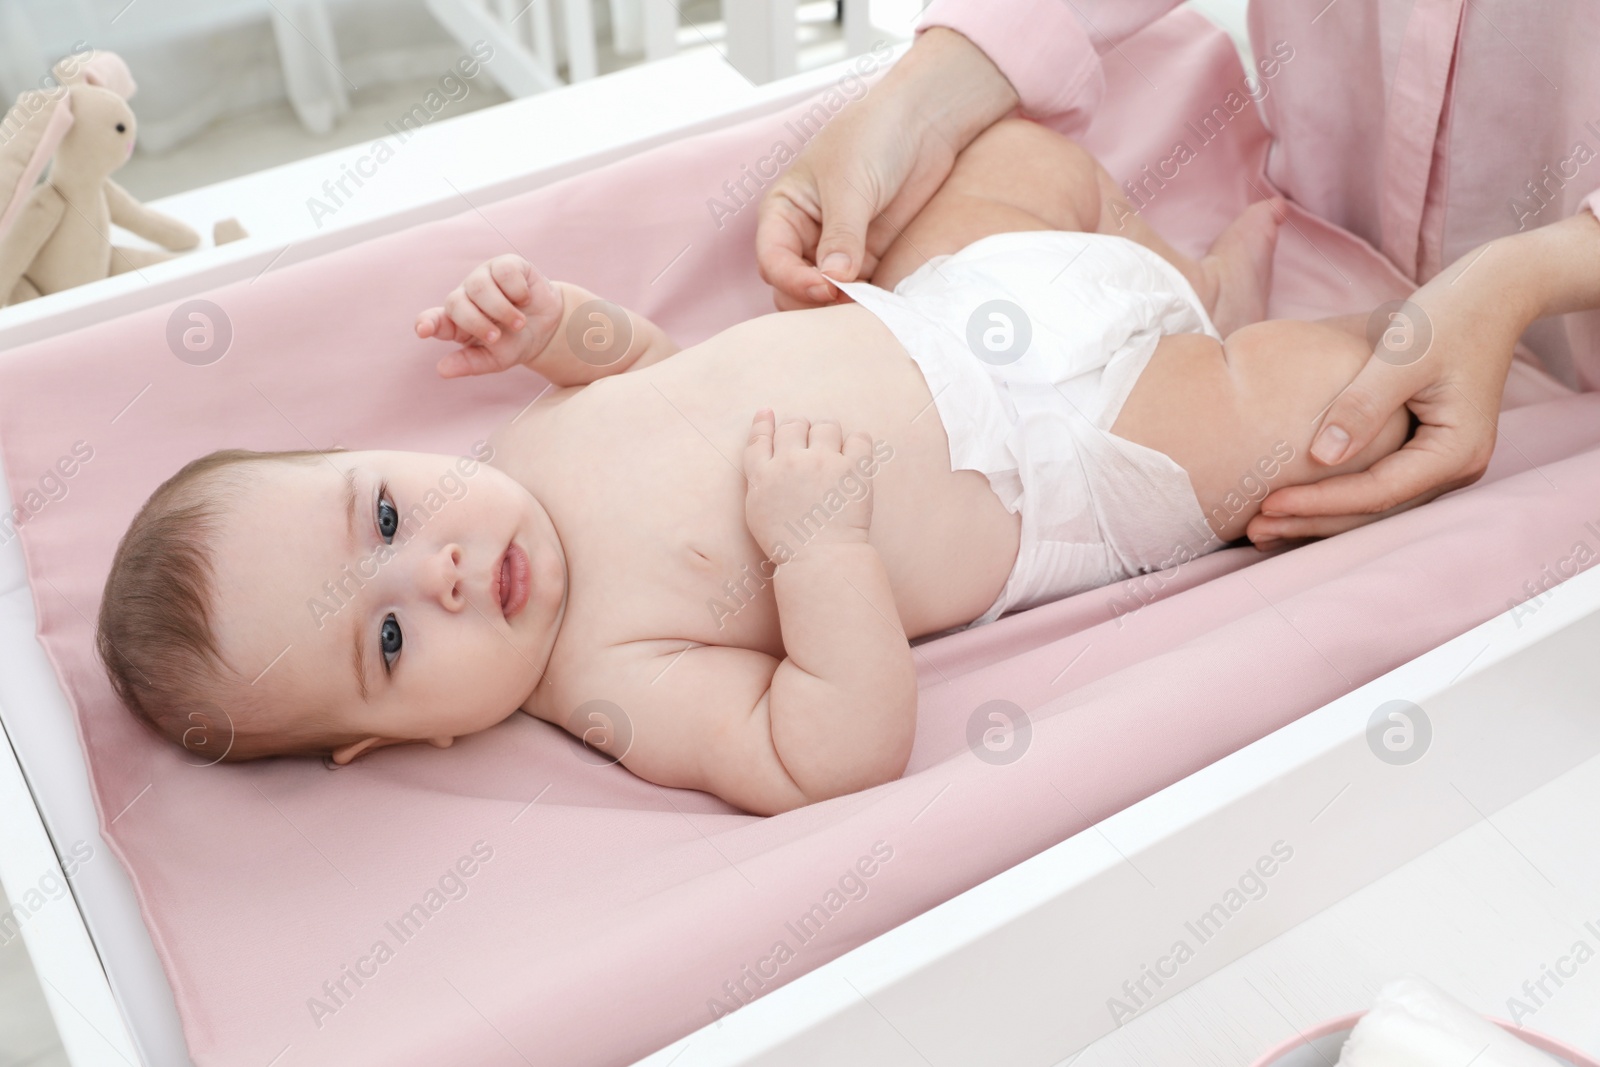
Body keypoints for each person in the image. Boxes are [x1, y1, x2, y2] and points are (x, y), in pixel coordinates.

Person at [97, 119, 1424, 815]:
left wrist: (566, 330)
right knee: (1299, 408)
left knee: (1019, 160)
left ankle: (1190, 280)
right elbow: (825, 753)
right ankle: (1394, 332)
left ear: (380, 454)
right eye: (386, 637)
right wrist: (820, 548)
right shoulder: (608, 681)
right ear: (397, 739)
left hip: (953, 303)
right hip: (1072, 457)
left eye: (382, 510)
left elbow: (669, 369)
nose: (433, 565)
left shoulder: (520, 443)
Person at [755, 1, 1600, 551]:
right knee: (997, 149)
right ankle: (1194, 298)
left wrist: (1528, 277)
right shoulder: (635, 645)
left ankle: (1198, 305)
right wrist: (914, 104)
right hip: (1029, 429)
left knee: (1363, 401)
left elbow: (823, 747)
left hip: (999, 371)